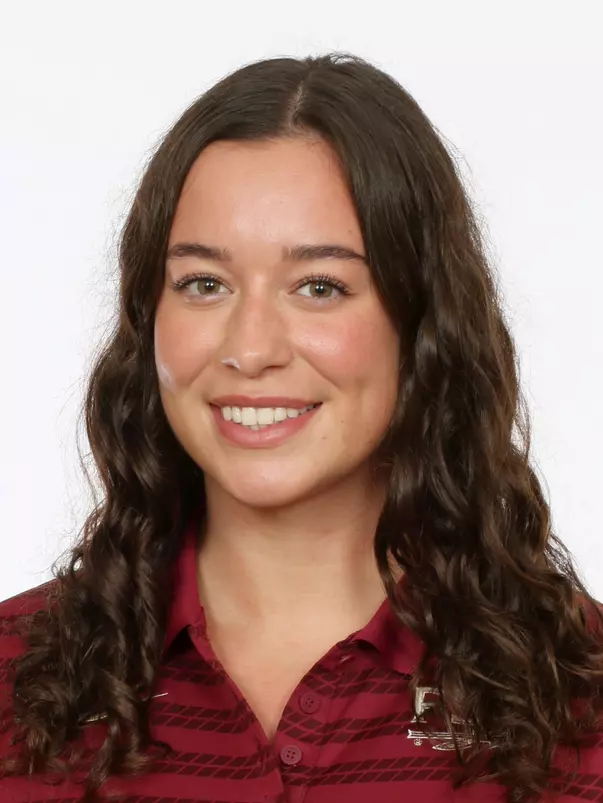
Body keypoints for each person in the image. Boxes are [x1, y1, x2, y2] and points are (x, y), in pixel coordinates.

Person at [0, 52, 602, 803]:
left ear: (422, 323)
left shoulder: (583, 693)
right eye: (203, 283)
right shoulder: (11, 674)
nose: (250, 348)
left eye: (319, 286)